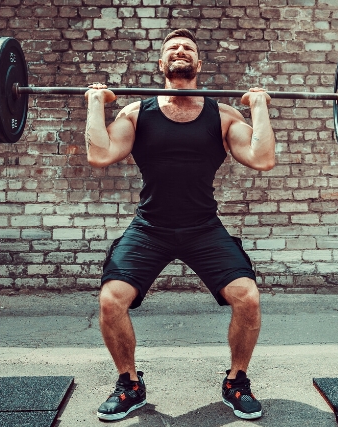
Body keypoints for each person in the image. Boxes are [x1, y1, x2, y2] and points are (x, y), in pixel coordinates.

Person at [84, 28, 276, 421]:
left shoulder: (223, 116)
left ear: (198, 64)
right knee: (110, 300)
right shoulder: (136, 113)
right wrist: (95, 101)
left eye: (188, 47)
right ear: (162, 64)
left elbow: (262, 159)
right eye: (172, 48)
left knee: (248, 299)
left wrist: (258, 105)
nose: (180, 51)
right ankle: (130, 384)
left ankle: (236, 381)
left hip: (202, 227)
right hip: (150, 228)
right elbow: (100, 154)